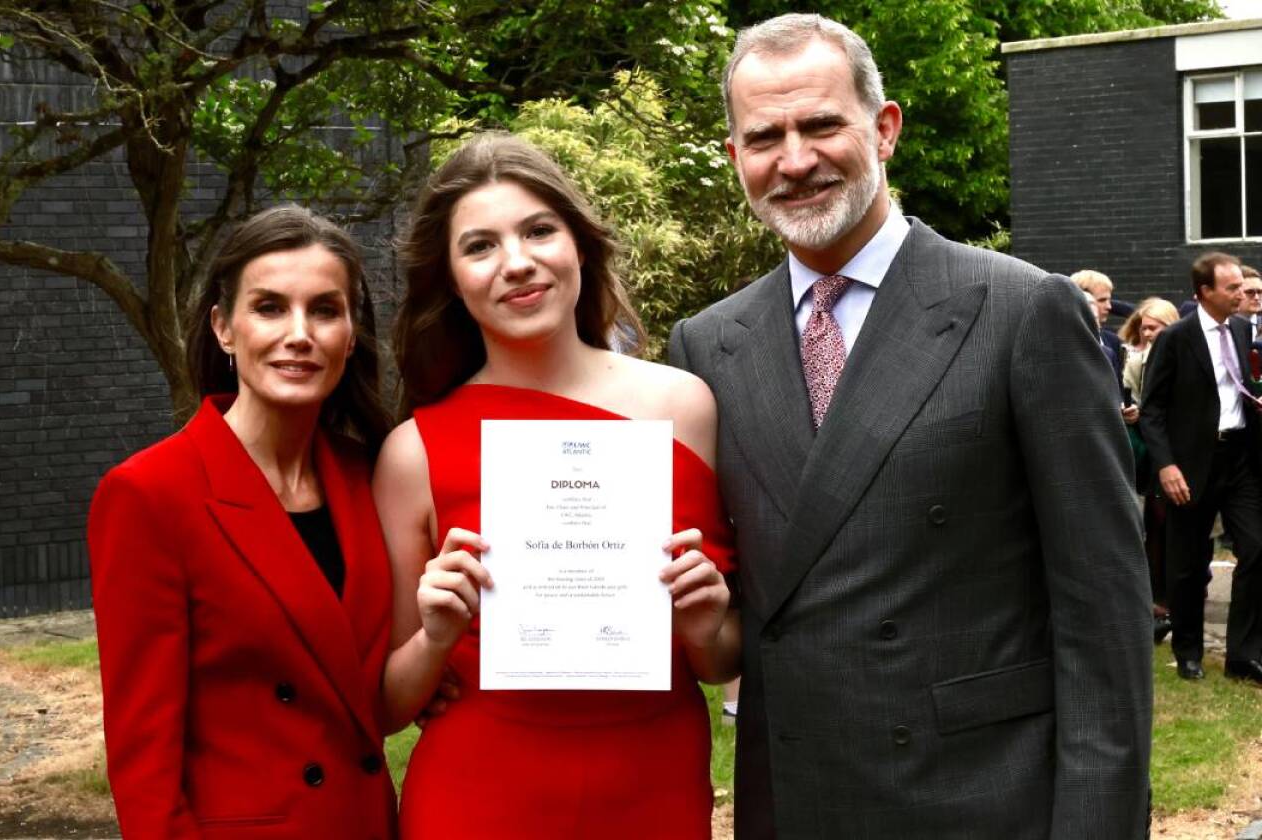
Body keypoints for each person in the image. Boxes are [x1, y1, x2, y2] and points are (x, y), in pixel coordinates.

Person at [669, 14, 1152, 838]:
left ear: (885, 129)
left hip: (982, 800)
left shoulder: (1021, 311)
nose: (795, 160)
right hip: (797, 798)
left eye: (822, 125)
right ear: (734, 156)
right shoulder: (708, 344)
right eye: (765, 137)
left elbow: (1102, 610)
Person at [374, 133, 739, 839]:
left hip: (653, 785)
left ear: (579, 244)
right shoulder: (412, 454)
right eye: (480, 246)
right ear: (451, 278)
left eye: (539, 230)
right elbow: (389, 705)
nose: (517, 262)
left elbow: (721, 658)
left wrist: (704, 624)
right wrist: (435, 637)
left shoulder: (685, 407)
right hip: (478, 795)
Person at [87, 206, 396, 839]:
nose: (299, 334)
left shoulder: (371, 474)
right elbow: (144, 760)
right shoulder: (149, 493)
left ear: (350, 334)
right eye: (270, 308)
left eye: (325, 310)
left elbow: (370, 693)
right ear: (224, 328)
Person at [1138, 252, 1262, 685]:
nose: (1242, 294)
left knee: (1257, 548)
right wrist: (1166, 465)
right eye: (1232, 288)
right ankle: (1188, 650)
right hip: (1191, 464)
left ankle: (1243, 655)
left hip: (1240, 458)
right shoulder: (1176, 338)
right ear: (1205, 291)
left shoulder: (1242, 329)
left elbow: (1238, 387)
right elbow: (1152, 409)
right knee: (1188, 564)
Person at [1119, 297, 1182, 643]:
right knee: (1156, 524)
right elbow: (1138, 401)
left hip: (1186, 450)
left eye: (1155, 327)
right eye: (1144, 327)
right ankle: (1158, 604)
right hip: (1155, 454)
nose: (1147, 333)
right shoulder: (1135, 361)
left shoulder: (1185, 355)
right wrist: (1135, 415)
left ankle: (1179, 598)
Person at [1072, 269, 1129, 398]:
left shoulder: (1112, 340)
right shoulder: (1062, 341)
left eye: (1110, 300)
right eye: (1102, 300)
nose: (1109, 307)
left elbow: (1118, 388)